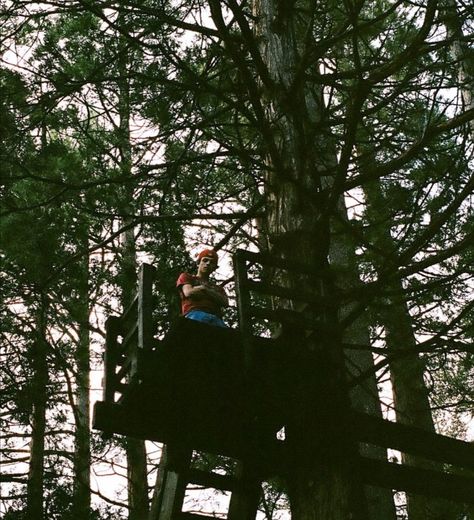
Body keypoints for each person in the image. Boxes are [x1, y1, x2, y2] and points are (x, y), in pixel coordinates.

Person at [176, 248, 229, 327]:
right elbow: (188, 292)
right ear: (198, 263)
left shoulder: (218, 288)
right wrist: (212, 295)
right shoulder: (187, 277)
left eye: (212, 262)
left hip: (216, 318)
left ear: (215, 267)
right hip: (194, 314)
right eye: (205, 260)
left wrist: (205, 290)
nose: (208, 263)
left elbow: (225, 302)